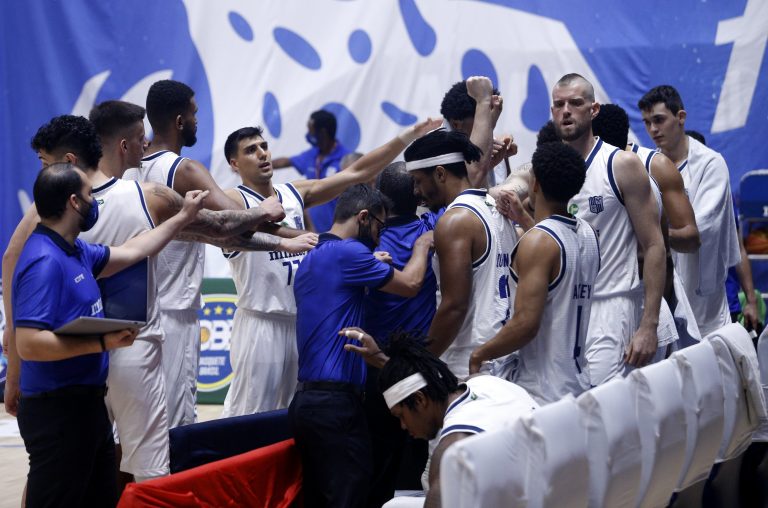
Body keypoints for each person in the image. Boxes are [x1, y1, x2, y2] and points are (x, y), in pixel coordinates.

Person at [85, 103, 311, 485]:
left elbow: (19, 256)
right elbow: (220, 227)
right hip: (154, 324)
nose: (145, 144)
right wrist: (265, 217)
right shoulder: (161, 184)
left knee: (87, 453)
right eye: (140, 138)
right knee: (161, 447)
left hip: (91, 335)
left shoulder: (72, 196)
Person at [13, 162, 206, 507]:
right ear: (74, 202)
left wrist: (182, 217)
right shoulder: (44, 261)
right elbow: (28, 344)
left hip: (87, 405)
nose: (95, 202)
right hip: (57, 411)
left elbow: (134, 250)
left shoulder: (76, 250)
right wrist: (102, 342)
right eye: (90, 195)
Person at [220, 118, 439, 417]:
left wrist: (408, 135)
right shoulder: (233, 199)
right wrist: (292, 236)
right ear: (234, 164)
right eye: (250, 150)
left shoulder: (293, 193)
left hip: (301, 321)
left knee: (292, 414)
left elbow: (357, 173)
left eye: (264, 146)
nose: (262, 154)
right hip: (262, 321)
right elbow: (231, 227)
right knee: (249, 414)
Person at [122, 79, 283, 428]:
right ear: (180, 121)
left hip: (131, 311)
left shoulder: (129, 166)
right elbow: (235, 223)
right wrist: (266, 210)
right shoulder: (185, 169)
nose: (197, 121)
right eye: (194, 114)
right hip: (172, 311)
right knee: (176, 425)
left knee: (134, 425)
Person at [289, 184, 434, 508]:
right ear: (363, 217)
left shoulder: (313, 257)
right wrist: (422, 245)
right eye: (380, 227)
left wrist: (371, 262)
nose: (381, 238)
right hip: (336, 404)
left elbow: (338, 289)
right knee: (352, 497)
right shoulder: (349, 253)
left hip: (307, 403)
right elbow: (411, 284)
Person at [552, 73, 666, 385]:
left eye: (575, 103)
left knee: (603, 405)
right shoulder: (547, 168)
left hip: (612, 304)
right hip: (565, 309)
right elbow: (516, 185)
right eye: (559, 104)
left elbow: (654, 245)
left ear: (593, 110)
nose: (566, 111)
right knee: (568, 406)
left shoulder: (621, 164)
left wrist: (649, 325)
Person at [342, 329, 538, 508]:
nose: (403, 425)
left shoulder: (453, 449)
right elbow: (429, 378)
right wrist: (383, 360)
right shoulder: (485, 382)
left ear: (420, 400)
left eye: (401, 415)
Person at [467, 141, 599, 404]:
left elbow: (526, 325)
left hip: (541, 393)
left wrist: (480, 353)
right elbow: (554, 251)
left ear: (535, 183)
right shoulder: (587, 233)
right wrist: (524, 219)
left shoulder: (539, 241)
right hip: (578, 383)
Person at [405, 129, 519, 378]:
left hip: (470, 363)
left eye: (418, 181)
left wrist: (419, 364)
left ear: (440, 173)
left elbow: (454, 306)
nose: (415, 191)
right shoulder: (494, 207)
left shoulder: (455, 220)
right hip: (503, 355)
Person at [362, 162, 441, 505]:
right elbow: (473, 181)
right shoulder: (434, 227)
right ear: (418, 195)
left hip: (375, 365)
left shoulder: (368, 243)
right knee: (417, 459)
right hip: (417, 365)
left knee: (378, 461)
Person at [592, 103, 701, 347]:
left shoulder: (656, 166)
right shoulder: (584, 169)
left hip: (650, 300)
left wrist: (649, 235)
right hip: (600, 300)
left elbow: (692, 238)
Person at [638, 85, 741, 337]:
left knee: (707, 357)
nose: (653, 129)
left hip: (703, 297)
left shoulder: (710, 163)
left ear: (680, 117)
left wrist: (650, 236)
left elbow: (702, 227)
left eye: (659, 120)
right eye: (647, 122)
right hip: (662, 289)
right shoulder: (647, 166)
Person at [273, 110, 352, 232]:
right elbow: (286, 161)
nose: (308, 135)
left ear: (323, 132)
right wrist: (261, 164)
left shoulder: (347, 160)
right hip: (312, 232)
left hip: (337, 232)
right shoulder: (312, 154)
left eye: (311, 131)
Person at [440, 79, 515, 187]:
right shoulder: (434, 153)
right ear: (456, 124)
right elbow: (461, 194)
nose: (487, 129)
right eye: (483, 121)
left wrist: (504, 157)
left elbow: (504, 191)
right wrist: (485, 166)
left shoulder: (491, 143)